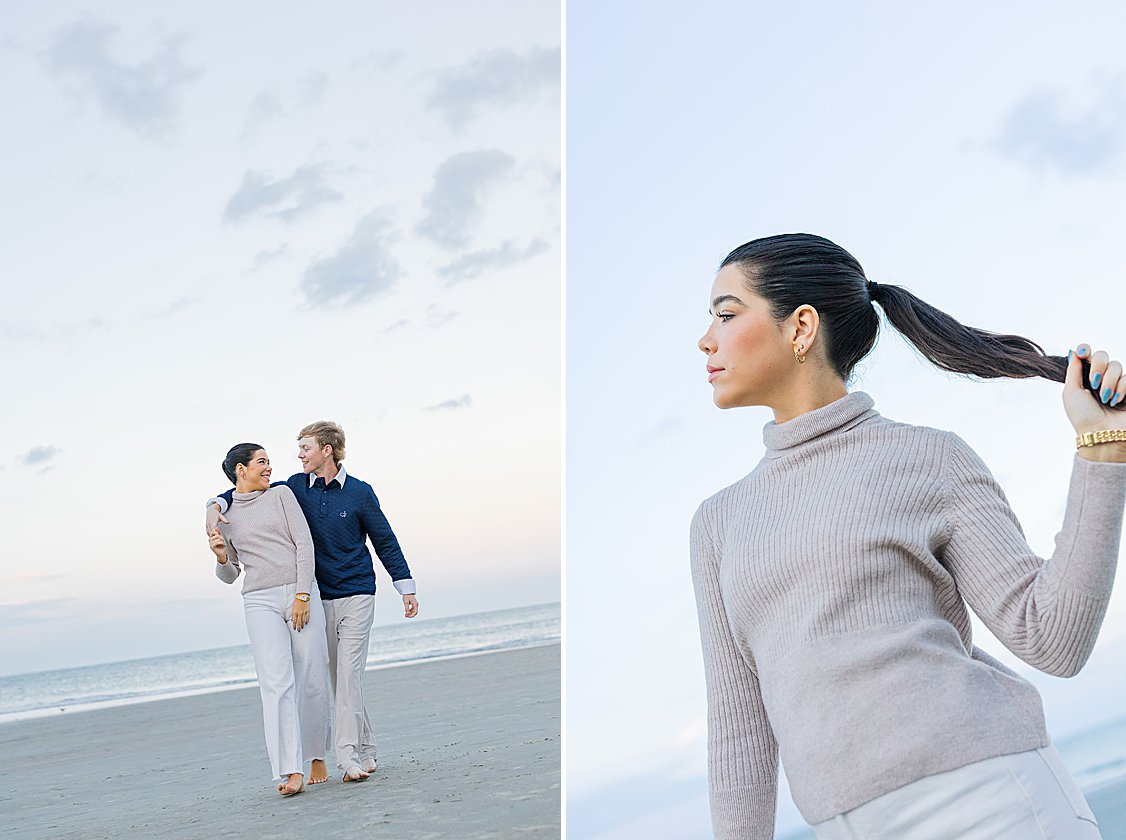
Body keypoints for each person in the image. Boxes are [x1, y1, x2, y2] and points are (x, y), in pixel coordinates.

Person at [692, 233, 1126, 839]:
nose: (705, 338)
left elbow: (1053, 639)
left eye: (726, 314)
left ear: (801, 327)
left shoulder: (930, 458)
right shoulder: (717, 523)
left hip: (999, 803)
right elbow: (740, 738)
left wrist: (1103, 449)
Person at [206, 421, 418, 783]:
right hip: (319, 595)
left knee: (344, 677)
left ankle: (345, 757)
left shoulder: (356, 493)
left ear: (326, 450)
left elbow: (384, 540)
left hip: (353, 592)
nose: (297, 455)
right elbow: (239, 498)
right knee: (338, 679)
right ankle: (364, 748)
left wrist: (405, 586)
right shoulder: (293, 488)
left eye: (304, 448)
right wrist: (213, 508)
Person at [208, 443, 332, 796]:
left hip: (299, 590)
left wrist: (303, 594)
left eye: (269, 462)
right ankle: (289, 769)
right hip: (259, 600)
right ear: (241, 470)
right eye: (262, 463)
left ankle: (315, 754)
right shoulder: (224, 516)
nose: (269, 468)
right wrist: (220, 558)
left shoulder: (281, 495)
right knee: (276, 683)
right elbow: (231, 574)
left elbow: (304, 545)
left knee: (312, 671)